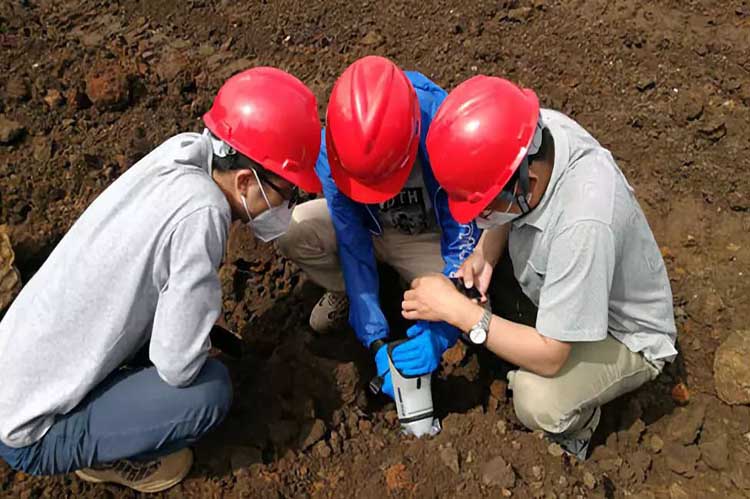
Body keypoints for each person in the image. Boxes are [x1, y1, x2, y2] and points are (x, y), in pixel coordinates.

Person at [0, 67, 322, 492]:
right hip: (27, 432)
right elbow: (176, 366)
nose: (286, 204)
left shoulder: (184, 153)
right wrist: (195, 339)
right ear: (245, 180)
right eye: (285, 192)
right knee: (207, 394)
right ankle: (106, 456)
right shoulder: (202, 213)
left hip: (16, 365)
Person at [401, 75, 677, 458]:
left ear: (523, 184)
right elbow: (509, 203)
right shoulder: (529, 137)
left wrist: (459, 313)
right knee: (485, 293)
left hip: (624, 334)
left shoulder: (583, 224)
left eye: (485, 210)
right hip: (565, 275)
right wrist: (485, 255)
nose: (480, 220)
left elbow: (551, 357)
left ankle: (580, 425)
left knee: (536, 399)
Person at [278, 56, 480, 397]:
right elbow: (350, 236)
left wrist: (443, 323)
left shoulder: (443, 125)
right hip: (371, 232)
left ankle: (412, 292)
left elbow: (463, 228)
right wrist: (373, 337)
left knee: (475, 300)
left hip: (428, 236)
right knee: (294, 230)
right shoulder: (335, 143)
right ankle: (350, 295)